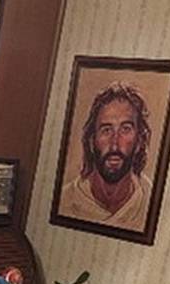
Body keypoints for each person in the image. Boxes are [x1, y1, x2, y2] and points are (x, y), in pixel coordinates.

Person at [59, 83, 155, 228]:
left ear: (139, 141)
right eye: (106, 130)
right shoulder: (65, 200)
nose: (115, 144)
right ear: (91, 140)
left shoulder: (150, 203)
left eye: (125, 129)